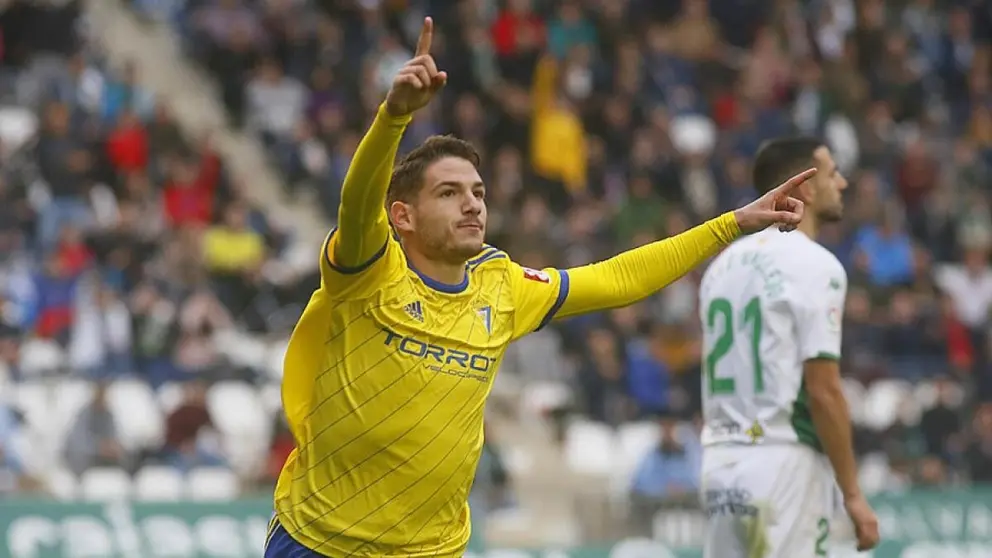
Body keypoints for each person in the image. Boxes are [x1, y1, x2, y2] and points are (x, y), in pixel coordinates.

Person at [265, 18, 815, 558]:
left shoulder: (502, 287)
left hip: (429, 550)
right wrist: (393, 119)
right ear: (403, 216)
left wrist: (730, 224)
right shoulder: (370, 269)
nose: (473, 203)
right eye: (449, 193)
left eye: (477, 192)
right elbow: (357, 203)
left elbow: (619, 278)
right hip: (321, 542)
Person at [696, 137, 880, 558]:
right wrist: (851, 493)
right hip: (783, 462)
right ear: (808, 187)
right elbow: (823, 389)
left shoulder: (721, 266)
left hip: (721, 463)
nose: (844, 183)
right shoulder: (816, 265)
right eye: (833, 173)